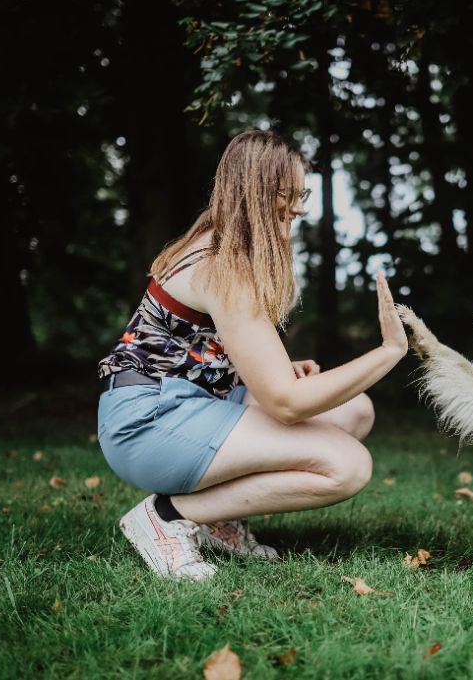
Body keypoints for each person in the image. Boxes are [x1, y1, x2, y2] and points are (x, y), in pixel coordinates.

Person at [96, 130, 408, 580]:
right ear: (257, 193)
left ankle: (217, 519)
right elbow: (286, 402)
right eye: (289, 194)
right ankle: (166, 517)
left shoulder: (223, 243)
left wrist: (278, 367)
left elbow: (201, 347)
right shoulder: (222, 264)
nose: (300, 207)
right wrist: (389, 351)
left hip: (187, 401)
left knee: (352, 411)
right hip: (146, 422)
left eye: (302, 193)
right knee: (347, 466)